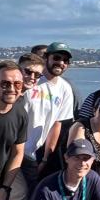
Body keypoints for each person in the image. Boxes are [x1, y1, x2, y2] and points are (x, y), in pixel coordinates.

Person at [23, 42, 74, 187]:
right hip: (13, 149)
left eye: (65, 60)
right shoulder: (32, 79)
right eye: (57, 58)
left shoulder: (65, 89)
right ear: (46, 58)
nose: (61, 63)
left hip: (33, 155)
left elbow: (56, 125)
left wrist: (45, 159)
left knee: (28, 197)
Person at [0, 61, 27, 200]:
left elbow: (18, 153)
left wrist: (4, 188)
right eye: (5, 84)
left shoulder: (20, 113)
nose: (11, 88)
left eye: (17, 84)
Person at [68, 96, 100, 184]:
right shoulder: (81, 127)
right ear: (94, 111)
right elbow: (75, 160)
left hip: (96, 181)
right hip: (76, 178)